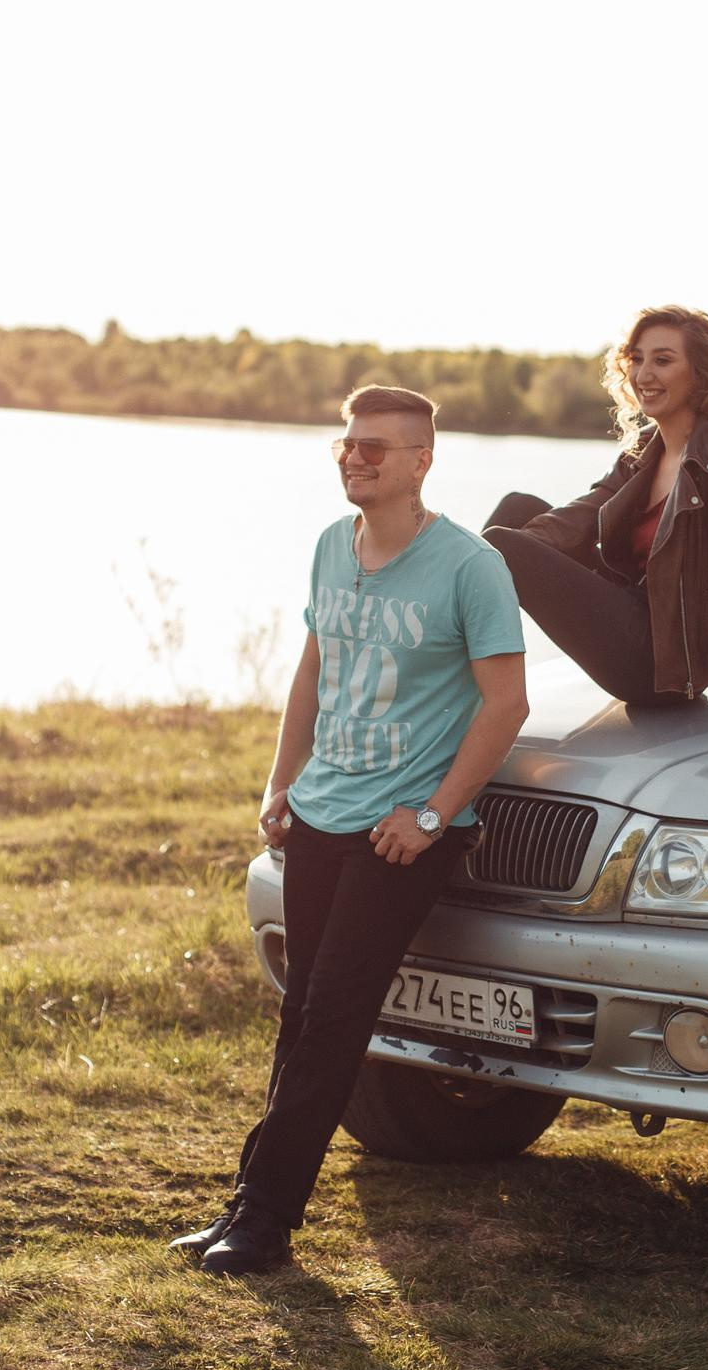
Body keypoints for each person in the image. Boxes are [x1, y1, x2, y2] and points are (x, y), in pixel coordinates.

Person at [175, 384, 529, 1276]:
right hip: (321, 816)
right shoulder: (334, 546)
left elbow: (506, 703)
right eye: (347, 444)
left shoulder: (469, 566)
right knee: (300, 1013)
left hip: (399, 832)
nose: (355, 457)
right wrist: (280, 782)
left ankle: (263, 1220)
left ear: (422, 460)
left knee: (333, 1016)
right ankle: (251, 1201)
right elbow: (312, 672)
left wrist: (433, 814)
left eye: (376, 446)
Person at [483, 305, 708, 725]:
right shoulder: (643, 453)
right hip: (629, 611)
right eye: (637, 359)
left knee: (499, 545)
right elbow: (579, 517)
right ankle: (453, 661)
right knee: (515, 512)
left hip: (658, 662)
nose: (644, 374)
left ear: (701, 374)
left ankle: (458, 684)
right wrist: (466, 558)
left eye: (663, 360)